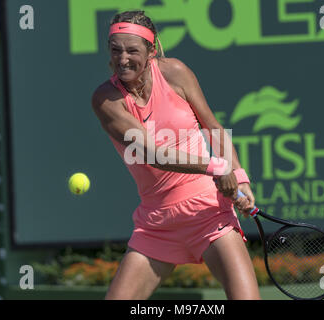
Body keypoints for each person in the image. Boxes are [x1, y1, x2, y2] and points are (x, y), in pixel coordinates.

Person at [91, 10, 260, 300]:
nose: (123, 59)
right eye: (116, 50)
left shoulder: (176, 72)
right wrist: (216, 167)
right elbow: (153, 153)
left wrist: (240, 178)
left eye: (132, 50)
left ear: (151, 50)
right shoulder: (105, 100)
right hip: (156, 223)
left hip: (209, 212)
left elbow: (212, 127)